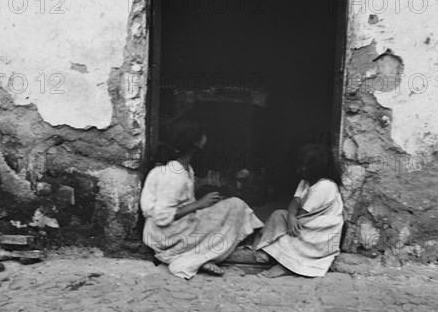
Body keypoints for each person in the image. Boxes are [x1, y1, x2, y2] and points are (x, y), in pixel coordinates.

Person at [140, 113, 264, 279]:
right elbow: (162, 217)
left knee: (229, 206)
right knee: (237, 205)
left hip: (177, 227)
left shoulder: (183, 167)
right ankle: (194, 258)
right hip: (165, 235)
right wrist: (199, 205)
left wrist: (205, 203)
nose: (206, 137)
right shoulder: (172, 175)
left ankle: (197, 256)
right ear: (196, 141)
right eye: (203, 134)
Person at [254, 144, 344, 278]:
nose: (299, 170)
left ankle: (287, 264)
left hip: (320, 230)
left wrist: (292, 219)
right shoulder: (306, 181)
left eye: (304, 167)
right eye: (300, 165)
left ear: (317, 169)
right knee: (279, 215)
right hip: (305, 219)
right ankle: (274, 251)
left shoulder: (324, 186)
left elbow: (303, 214)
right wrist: (290, 215)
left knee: (289, 228)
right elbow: (296, 200)